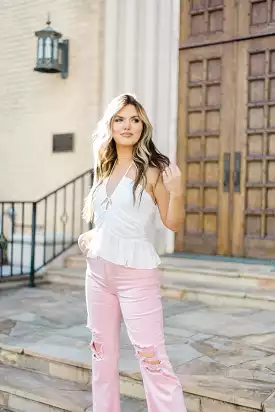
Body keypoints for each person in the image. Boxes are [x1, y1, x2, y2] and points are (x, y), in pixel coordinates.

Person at [78, 93, 187, 412]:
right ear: (110, 125)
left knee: (151, 355)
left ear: (143, 125)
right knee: (101, 354)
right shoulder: (104, 165)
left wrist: (178, 193)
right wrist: (91, 237)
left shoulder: (154, 169)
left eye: (135, 119)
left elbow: (173, 223)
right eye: (119, 119)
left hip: (136, 274)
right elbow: (108, 216)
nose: (127, 125)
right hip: (97, 274)